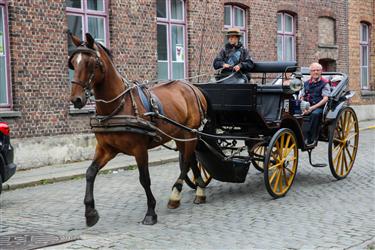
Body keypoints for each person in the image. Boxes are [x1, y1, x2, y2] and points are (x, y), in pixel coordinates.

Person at [300, 62, 331, 145]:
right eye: (313, 70)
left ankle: (311, 138)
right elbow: (302, 96)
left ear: (321, 71)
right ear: (310, 72)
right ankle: (299, 136)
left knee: (315, 114)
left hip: (319, 107)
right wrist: (304, 108)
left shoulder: (325, 83)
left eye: (318, 70)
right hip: (306, 106)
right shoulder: (306, 83)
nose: (315, 72)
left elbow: (325, 99)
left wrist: (312, 108)